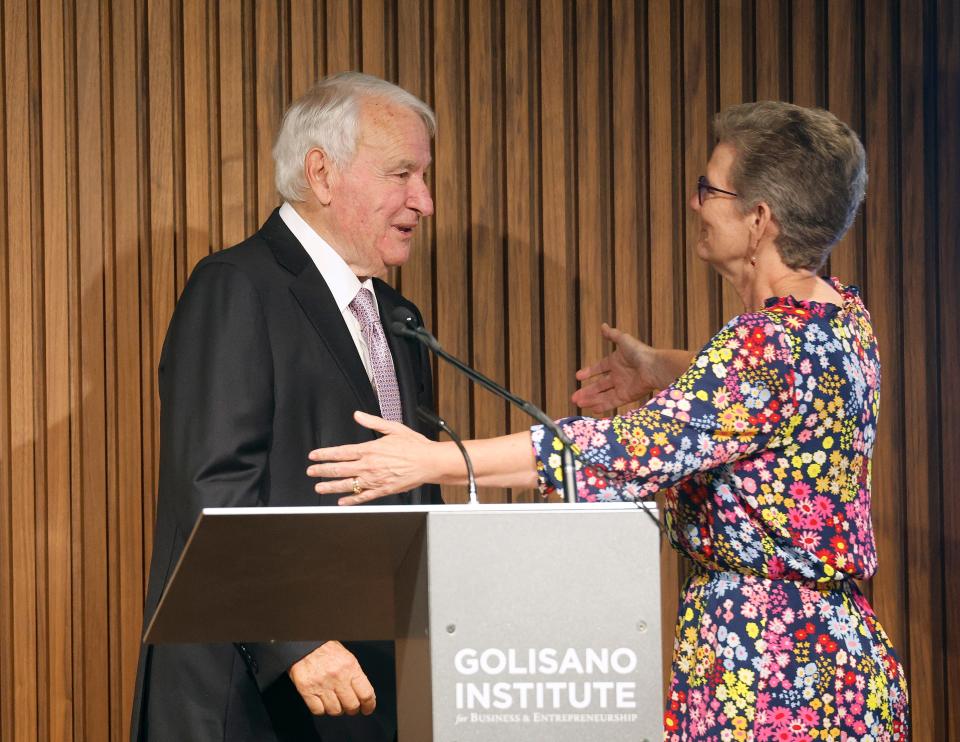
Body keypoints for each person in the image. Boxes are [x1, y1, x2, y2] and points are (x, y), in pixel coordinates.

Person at [306, 101, 910, 740]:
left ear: (759, 219)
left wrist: (438, 461)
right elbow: (769, 401)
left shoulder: (765, 349)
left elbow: (621, 452)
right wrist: (661, 368)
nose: (696, 202)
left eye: (710, 188)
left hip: (770, 672)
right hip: (840, 664)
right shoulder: (839, 317)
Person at [130, 72, 442, 742]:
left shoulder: (396, 316)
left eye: (425, 176)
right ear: (322, 174)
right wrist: (294, 639)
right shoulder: (237, 287)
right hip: (254, 692)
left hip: (374, 686)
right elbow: (212, 489)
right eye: (402, 173)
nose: (425, 200)